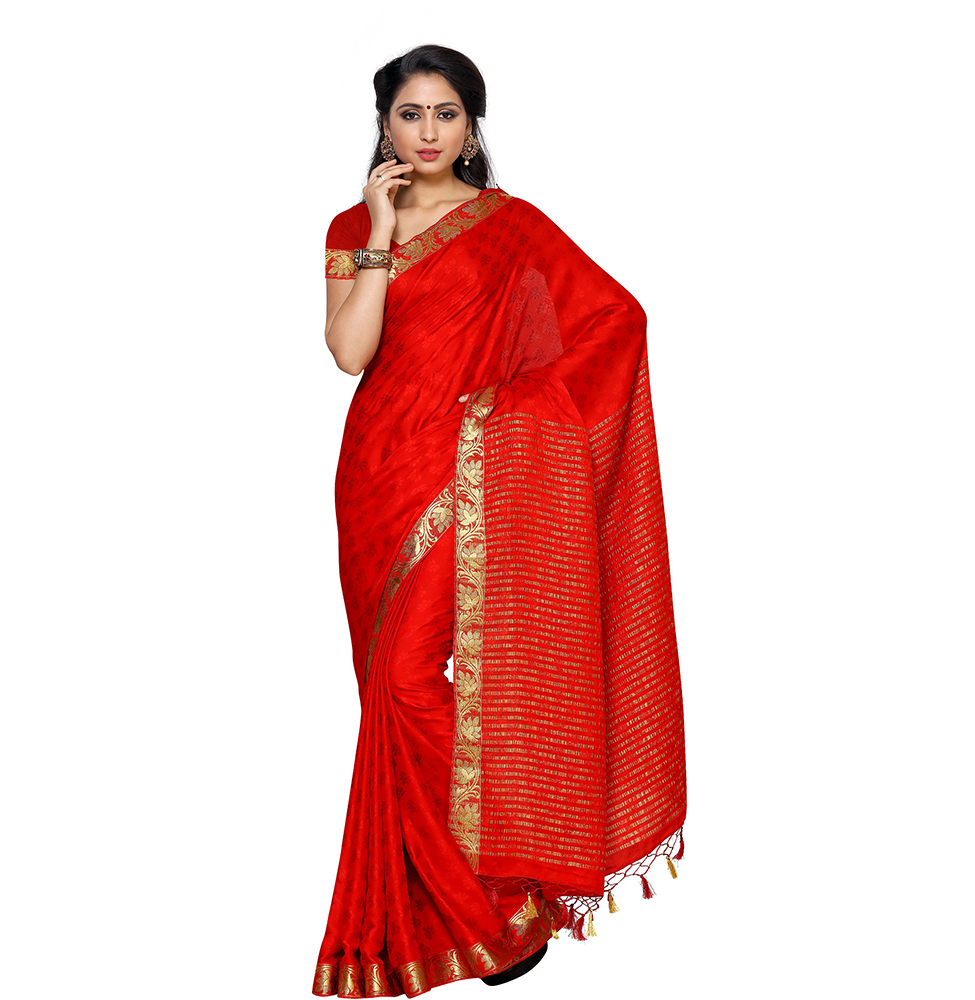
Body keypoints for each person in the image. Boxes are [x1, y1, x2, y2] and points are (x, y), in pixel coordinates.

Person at [312, 44, 687, 999]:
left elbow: (617, 321)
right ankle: (468, 914)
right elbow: (350, 352)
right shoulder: (351, 226)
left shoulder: (512, 226)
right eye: (409, 114)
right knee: (387, 697)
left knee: (409, 685)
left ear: (473, 127)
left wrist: (509, 412)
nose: (427, 131)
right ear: (384, 125)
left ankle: (505, 909)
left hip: (466, 475)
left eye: (446, 114)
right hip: (376, 480)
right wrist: (382, 230)